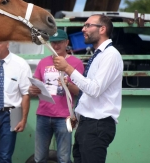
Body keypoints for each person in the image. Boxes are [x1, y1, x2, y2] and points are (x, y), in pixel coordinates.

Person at [53, 14, 124, 163]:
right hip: (87, 124)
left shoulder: (111, 55)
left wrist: (68, 68)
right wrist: (77, 117)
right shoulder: (98, 55)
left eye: (88, 25)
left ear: (102, 29)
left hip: (97, 124)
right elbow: (88, 91)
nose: (83, 29)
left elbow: (94, 90)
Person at [28, 29, 84, 163]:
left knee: (64, 158)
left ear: (67, 43)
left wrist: (67, 85)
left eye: (59, 42)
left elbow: (80, 91)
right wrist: (33, 90)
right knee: (39, 157)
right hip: (43, 114)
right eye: (53, 43)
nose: (56, 46)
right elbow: (36, 85)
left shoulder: (76, 63)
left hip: (64, 117)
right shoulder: (43, 62)